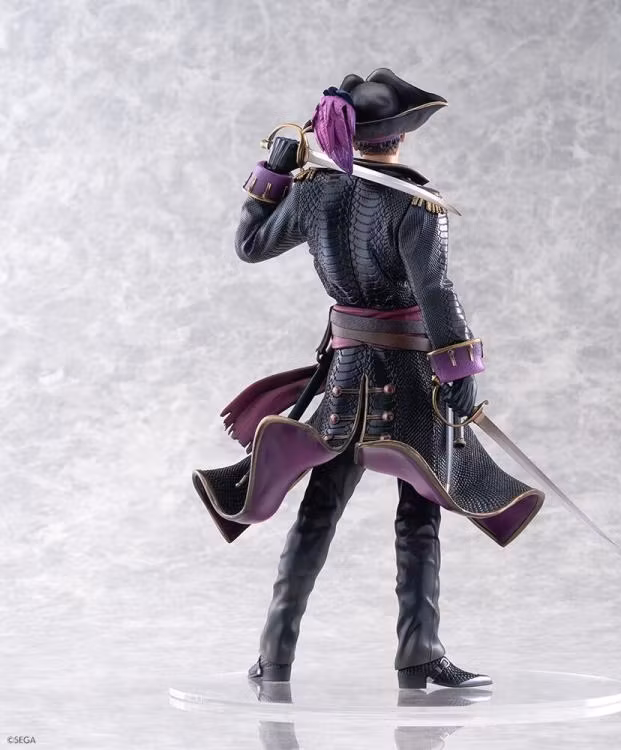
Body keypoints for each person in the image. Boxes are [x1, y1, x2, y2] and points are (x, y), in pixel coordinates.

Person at [192, 68, 545, 690]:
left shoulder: (312, 193)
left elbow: (249, 244)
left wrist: (273, 170)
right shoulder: (415, 203)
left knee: (317, 514)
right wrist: (459, 366)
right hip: (409, 379)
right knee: (420, 514)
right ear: (400, 136)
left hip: (346, 377)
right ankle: (418, 653)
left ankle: (274, 656)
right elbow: (436, 293)